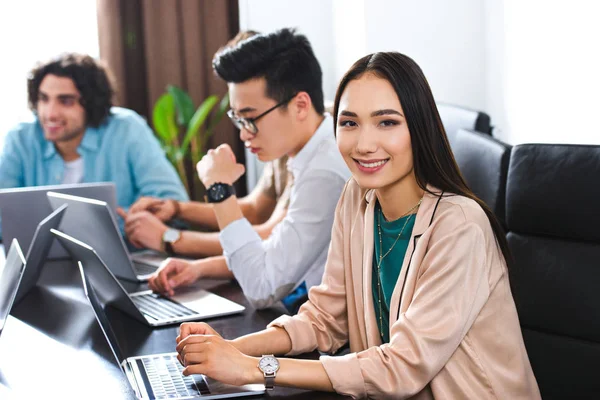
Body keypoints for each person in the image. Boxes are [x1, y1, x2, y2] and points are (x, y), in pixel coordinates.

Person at [174, 52, 541, 399]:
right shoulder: (358, 198)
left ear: (419, 128)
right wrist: (225, 350)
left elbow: (401, 367)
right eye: (349, 123)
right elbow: (324, 318)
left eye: (387, 122)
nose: (364, 144)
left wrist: (256, 369)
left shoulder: (461, 226)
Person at [144, 28, 350, 311]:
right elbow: (276, 251)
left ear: (300, 105)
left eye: (250, 118)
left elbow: (262, 288)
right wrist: (201, 269)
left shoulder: (324, 173)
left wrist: (220, 191)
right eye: (238, 119)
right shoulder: (314, 151)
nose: (244, 135)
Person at [119, 30, 293, 259]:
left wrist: (169, 239)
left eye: (250, 115)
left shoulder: (318, 142)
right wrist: (177, 209)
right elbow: (256, 210)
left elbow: (273, 236)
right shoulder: (280, 140)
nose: (243, 134)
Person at [0, 53, 188, 234]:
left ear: (91, 104)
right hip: (39, 262)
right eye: (43, 99)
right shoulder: (21, 139)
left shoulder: (126, 129)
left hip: (126, 255)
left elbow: (173, 205)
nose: (50, 113)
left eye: (65, 101)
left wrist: (131, 227)